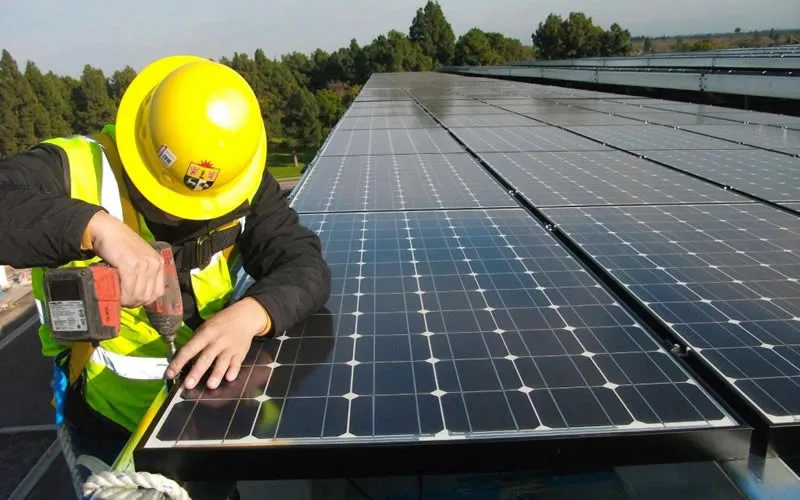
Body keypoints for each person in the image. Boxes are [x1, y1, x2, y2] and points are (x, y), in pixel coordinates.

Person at [0, 55, 331, 497]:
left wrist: (254, 313)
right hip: (112, 423)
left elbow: (305, 263)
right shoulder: (76, 169)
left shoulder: (237, 180)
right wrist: (94, 227)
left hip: (212, 413)